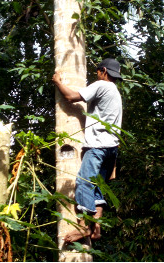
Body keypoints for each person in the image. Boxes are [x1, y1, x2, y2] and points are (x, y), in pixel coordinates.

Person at [52, 58, 123, 243]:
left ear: (103, 71)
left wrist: (58, 82)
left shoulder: (101, 85)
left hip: (98, 147)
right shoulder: (116, 92)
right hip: (112, 149)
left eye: (98, 71)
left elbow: (71, 97)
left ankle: (84, 227)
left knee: (84, 182)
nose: (97, 74)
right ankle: (96, 228)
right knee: (96, 187)